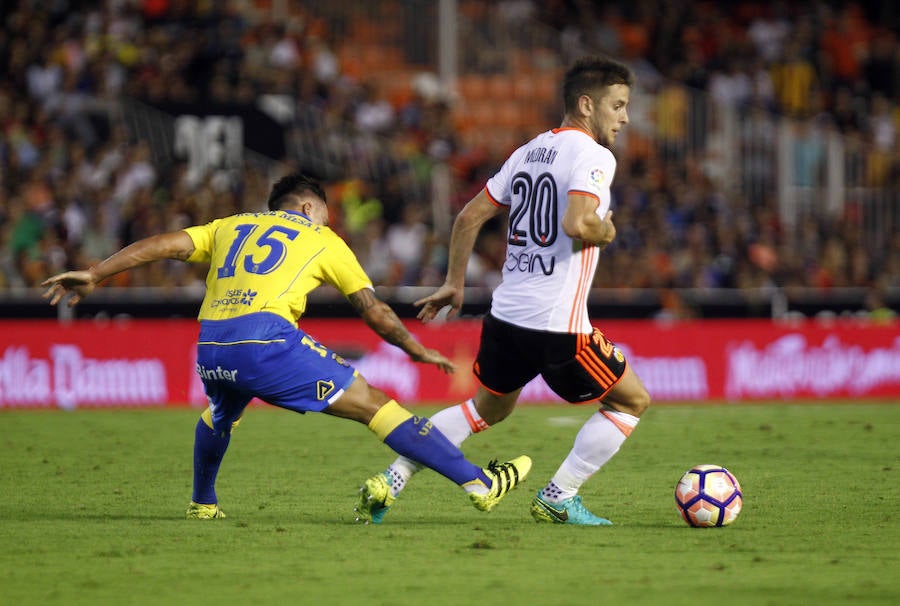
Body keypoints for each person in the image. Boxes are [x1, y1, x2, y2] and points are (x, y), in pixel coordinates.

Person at [41, 173, 531, 522]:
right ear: (306, 208)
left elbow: (163, 244)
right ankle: (480, 484)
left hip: (210, 345)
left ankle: (202, 503)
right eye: (325, 212)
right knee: (376, 406)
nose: (326, 219)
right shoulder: (320, 236)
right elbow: (372, 309)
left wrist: (96, 272)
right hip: (266, 342)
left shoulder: (227, 225)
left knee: (221, 413)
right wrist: (415, 349)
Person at [362, 55, 651, 526]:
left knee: (485, 409)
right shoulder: (596, 156)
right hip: (558, 326)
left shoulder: (528, 151)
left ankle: (389, 480)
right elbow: (578, 223)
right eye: (617, 106)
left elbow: (468, 216)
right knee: (630, 401)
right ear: (586, 104)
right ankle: (559, 496)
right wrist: (607, 233)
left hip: (506, 318)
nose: (625, 117)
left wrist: (454, 283)